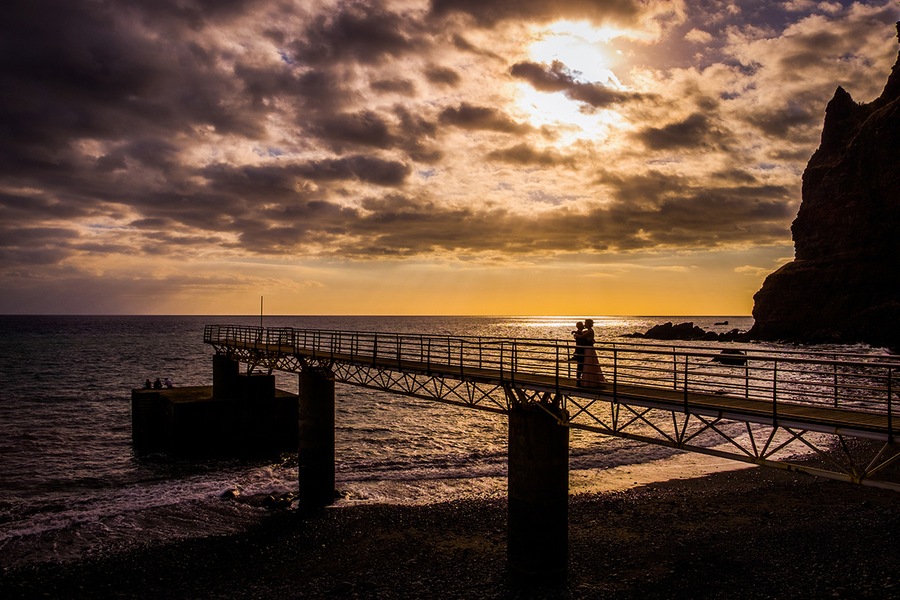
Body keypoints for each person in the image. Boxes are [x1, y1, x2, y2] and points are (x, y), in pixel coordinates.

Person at [580, 319, 606, 388]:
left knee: (589, 364)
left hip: (589, 349)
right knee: (590, 364)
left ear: (588, 324)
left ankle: (589, 381)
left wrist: (576, 334)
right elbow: (584, 334)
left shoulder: (590, 331)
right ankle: (590, 380)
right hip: (589, 348)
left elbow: (582, 336)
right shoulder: (589, 331)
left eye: (585, 323)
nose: (584, 324)